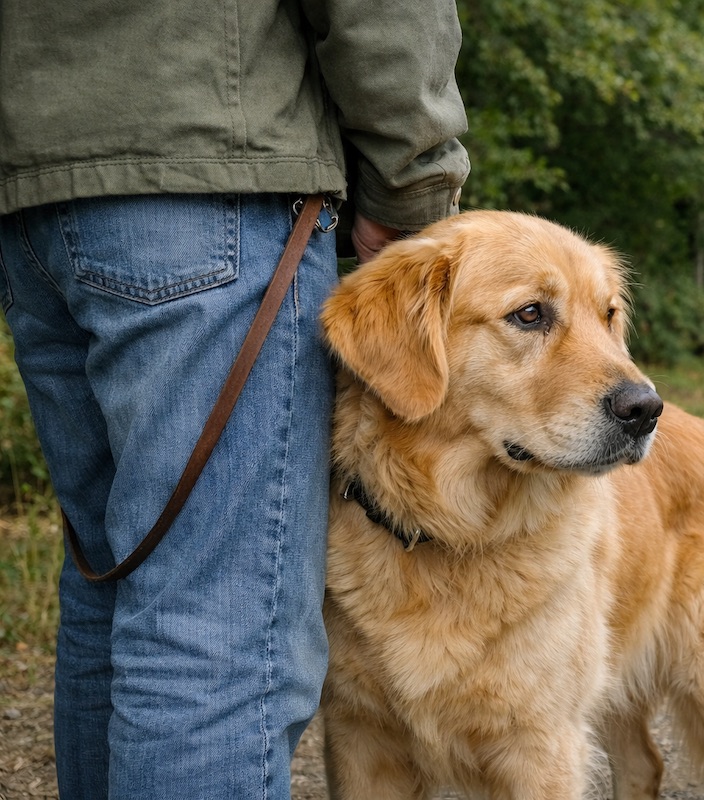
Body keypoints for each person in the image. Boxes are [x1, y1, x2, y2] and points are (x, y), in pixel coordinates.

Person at [0, 2, 469, 797]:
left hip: (31, 193)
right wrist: (413, 185)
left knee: (113, 592)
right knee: (218, 629)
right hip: (208, 176)